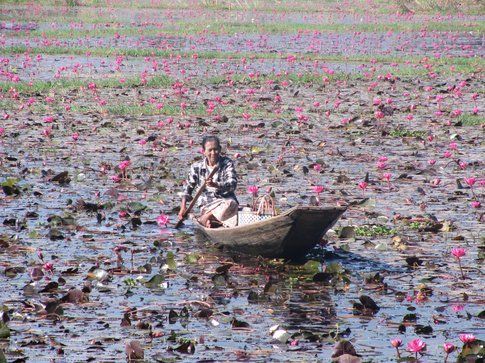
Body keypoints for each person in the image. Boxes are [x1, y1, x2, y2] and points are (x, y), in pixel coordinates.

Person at [178, 136, 238, 228]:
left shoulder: (227, 163)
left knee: (232, 204)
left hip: (225, 202)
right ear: (204, 151)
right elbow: (187, 188)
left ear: (220, 149)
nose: (213, 153)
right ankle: (211, 218)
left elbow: (232, 184)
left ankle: (206, 219)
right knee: (230, 210)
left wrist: (216, 185)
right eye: (210, 150)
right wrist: (183, 207)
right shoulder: (196, 167)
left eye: (216, 149)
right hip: (207, 204)